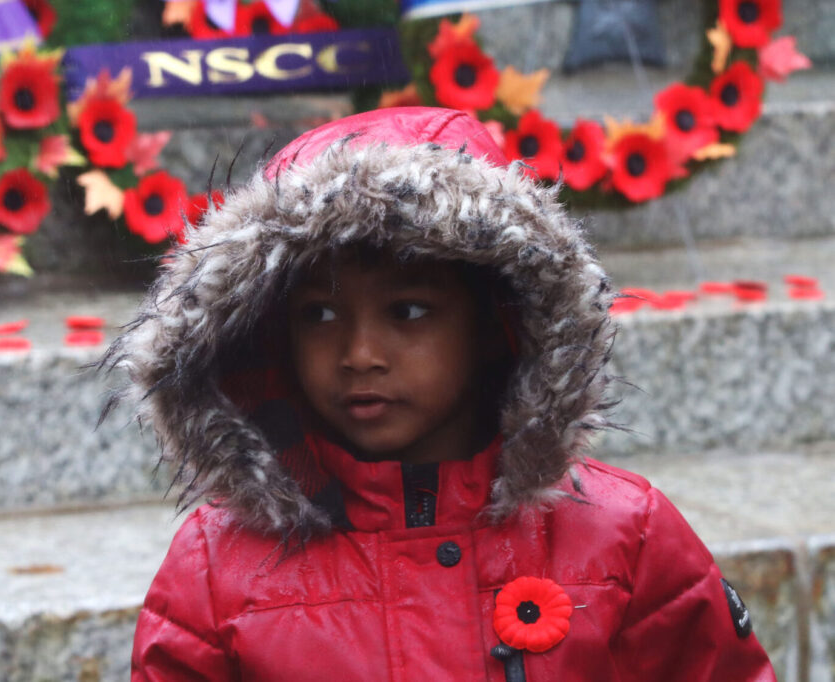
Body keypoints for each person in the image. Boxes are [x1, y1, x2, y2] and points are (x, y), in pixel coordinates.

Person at [104, 107, 775, 681]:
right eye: (322, 316)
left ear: (497, 324)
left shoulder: (624, 537)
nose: (360, 355)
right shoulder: (218, 567)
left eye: (410, 313)